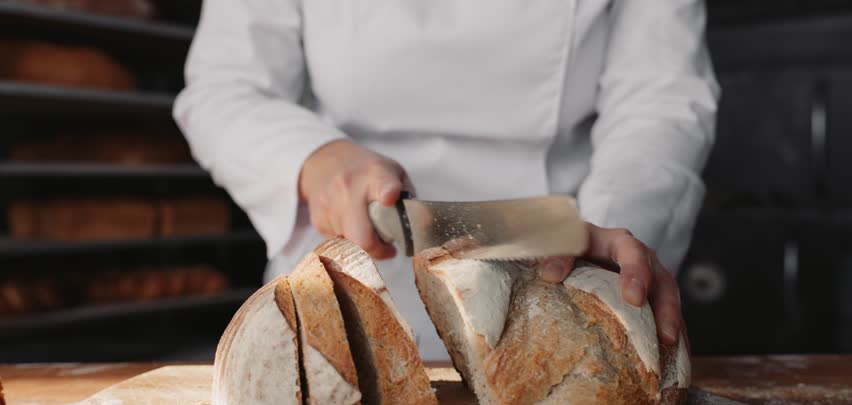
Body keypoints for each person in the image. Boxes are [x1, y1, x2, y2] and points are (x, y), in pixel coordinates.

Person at [174, 0, 719, 360]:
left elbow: (661, 98)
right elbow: (224, 87)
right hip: (342, 297)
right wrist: (319, 160)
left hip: (559, 278)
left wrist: (618, 224)